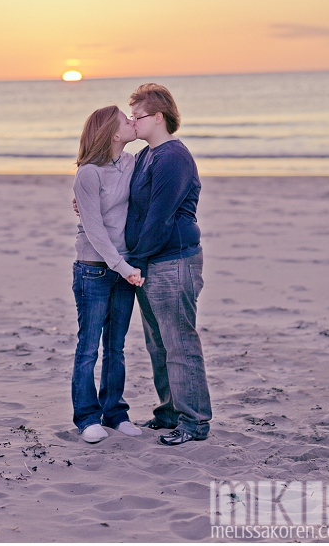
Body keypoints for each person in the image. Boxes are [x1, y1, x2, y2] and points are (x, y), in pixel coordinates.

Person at [124, 83, 212, 446]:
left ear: (158, 117)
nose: (132, 122)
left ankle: (194, 422)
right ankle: (170, 412)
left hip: (172, 260)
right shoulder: (147, 155)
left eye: (137, 116)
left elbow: (159, 217)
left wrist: (134, 262)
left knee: (179, 343)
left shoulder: (172, 157)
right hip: (151, 261)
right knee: (159, 344)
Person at [71, 105, 145, 444]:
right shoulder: (88, 174)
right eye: (126, 121)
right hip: (94, 269)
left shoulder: (133, 163)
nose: (133, 123)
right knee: (89, 348)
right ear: (114, 134)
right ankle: (87, 417)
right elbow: (95, 229)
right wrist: (123, 267)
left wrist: (127, 266)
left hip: (124, 268)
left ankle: (115, 413)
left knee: (116, 348)